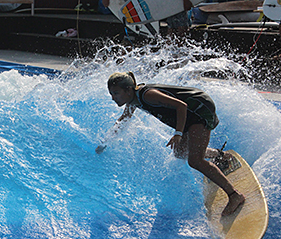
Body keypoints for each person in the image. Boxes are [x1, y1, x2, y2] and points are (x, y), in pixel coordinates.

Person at [96, 72, 245, 216]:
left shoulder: (147, 95)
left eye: (116, 93)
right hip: (190, 113)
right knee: (180, 153)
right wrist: (105, 143)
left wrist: (178, 133)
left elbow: (181, 106)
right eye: (111, 93)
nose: (113, 98)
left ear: (128, 90)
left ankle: (234, 195)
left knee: (195, 161)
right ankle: (220, 155)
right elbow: (123, 120)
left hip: (199, 108)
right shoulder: (132, 101)